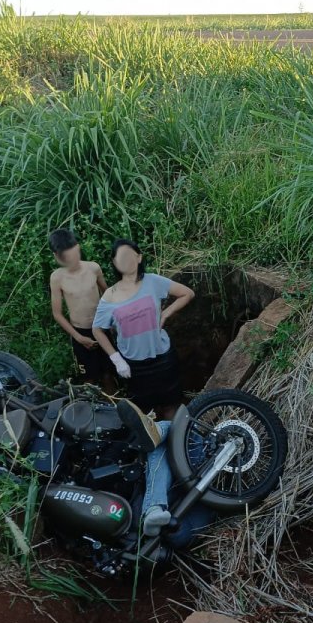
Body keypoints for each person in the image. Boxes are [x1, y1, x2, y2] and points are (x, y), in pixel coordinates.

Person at [92, 239, 195, 415]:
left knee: (171, 407)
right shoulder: (110, 295)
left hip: (162, 358)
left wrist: (166, 313)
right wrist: (117, 359)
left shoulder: (153, 281)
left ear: (139, 257)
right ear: (115, 263)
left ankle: (176, 433)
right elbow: (97, 330)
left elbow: (187, 293)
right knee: (145, 413)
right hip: (133, 366)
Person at [117, 397, 210, 537]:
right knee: (178, 430)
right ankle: (157, 431)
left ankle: (153, 509)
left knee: (165, 438)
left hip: (172, 523)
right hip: (181, 522)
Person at [49, 228, 111, 385]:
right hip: (80, 332)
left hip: (101, 327)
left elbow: (107, 294)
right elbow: (57, 314)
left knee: (109, 373)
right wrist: (78, 337)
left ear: (78, 247)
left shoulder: (93, 268)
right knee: (89, 378)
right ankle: (93, 399)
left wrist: (112, 321)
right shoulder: (57, 278)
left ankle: (113, 397)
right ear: (56, 256)